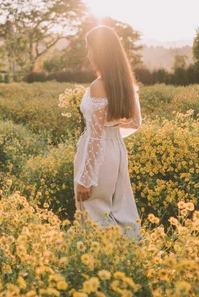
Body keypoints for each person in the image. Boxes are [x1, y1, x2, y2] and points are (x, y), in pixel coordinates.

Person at [73, 25, 143, 241]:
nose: (88, 54)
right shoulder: (124, 85)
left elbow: (95, 136)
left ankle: (104, 262)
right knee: (120, 209)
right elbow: (134, 123)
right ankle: (131, 255)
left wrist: (86, 178)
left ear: (99, 51)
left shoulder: (98, 85)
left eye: (89, 48)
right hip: (116, 152)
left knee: (94, 211)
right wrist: (111, 128)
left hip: (98, 155)